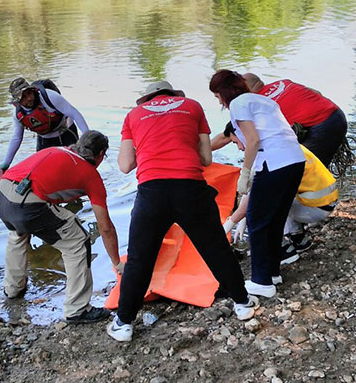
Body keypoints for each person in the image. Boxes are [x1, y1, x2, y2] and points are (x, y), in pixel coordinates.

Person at [107, 81, 258, 343]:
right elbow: (206, 159)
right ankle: (243, 304)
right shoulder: (192, 106)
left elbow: (124, 165)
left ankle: (124, 324)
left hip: (152, 192)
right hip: (191, 189)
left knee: (140, 259)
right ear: (173, 95)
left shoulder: (133, 115)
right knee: (215, 248)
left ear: (147, 99)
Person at [0, 130, 123, 324]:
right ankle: (77, 309)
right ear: (101, 154)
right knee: (77, 240)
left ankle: (13, 290)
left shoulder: (56, 150)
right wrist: (117, 263)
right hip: (26, 206)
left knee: (18, 233)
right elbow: (105, 228)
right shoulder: (90, 175)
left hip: (0, 195)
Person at [209, 70, 305, 299]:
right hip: (295, 160)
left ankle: (262, 281)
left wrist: (245, 172)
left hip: (275, 162)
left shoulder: (238, 104)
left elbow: (253, 139)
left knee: (257, 220)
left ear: (224, 92)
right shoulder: (263, 100)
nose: (219, 101)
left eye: (217, 96)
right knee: (275, 217)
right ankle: (272, 273)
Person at [227, 129, 339, 263]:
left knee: (263, 206)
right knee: (275, 193)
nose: (239, 147)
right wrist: (242, 221)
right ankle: (298, 239)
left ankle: (284, 251)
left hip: (315, 208)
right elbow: (254, 188)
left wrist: (231, 223)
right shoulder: (281, 145)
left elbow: (256, 195)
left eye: (236, 142)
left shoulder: (269, 157)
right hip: (325, 201)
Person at [211, 74, 347, 167]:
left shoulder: (254, 103)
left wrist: (198, 151)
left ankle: (316, 204)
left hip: (321, 126)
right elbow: (317, 93)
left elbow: (226, 136)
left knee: (304, 170)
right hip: (336, 115)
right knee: (316, 167)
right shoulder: (283, 83)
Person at [0, 78, 89, 171]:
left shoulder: (49, 96)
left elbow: (74, 113)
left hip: (66, 133)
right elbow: (17, 138)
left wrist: (87, 137)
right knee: (44, 170)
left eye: (29, 93)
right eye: (24, 97)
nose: (29, 98)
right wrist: (6, 163)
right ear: (16, 102)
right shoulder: (18, 115)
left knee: (74, 168)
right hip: (44, 140)